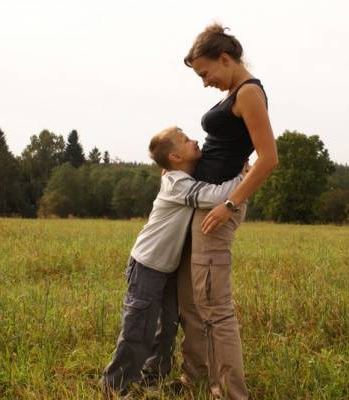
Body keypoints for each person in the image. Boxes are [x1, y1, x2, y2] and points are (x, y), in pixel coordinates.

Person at [101, 126, 246, 397]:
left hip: (167, 269)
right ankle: (114, 386)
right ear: (176, 158)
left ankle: (151, 379)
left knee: (166, 327)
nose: (195, 140)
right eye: (186, 140)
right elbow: (215, 196)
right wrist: (242, 177)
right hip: (147, 265)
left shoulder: (182, 177)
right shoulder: (177, 184)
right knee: (139, 328)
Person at [176, 23, 279, 400]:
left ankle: (230, 393)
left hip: (219, 208)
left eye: (205, 74)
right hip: (206, 202)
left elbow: (269, 158)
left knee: (214, 306)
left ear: (224, 59)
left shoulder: (249, 92)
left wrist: (230, 204)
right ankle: (195, 379)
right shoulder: (236, 93)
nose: (205, 82)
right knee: (191, 299)